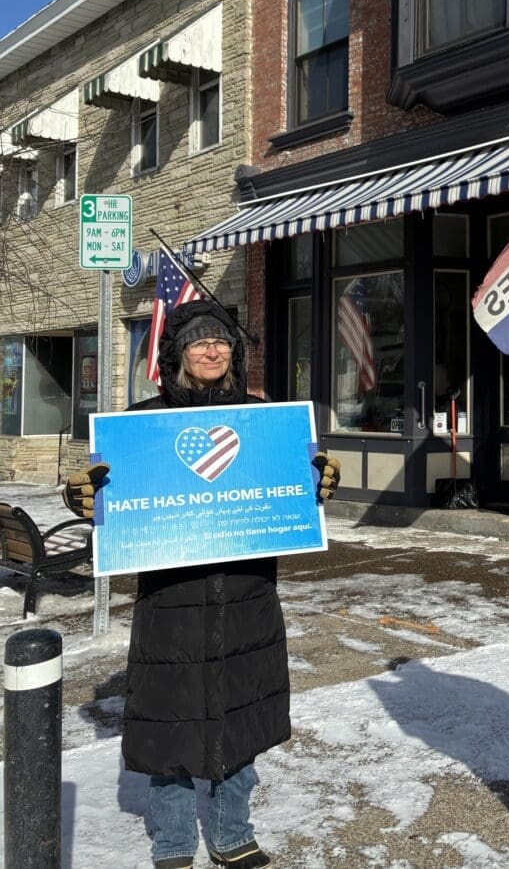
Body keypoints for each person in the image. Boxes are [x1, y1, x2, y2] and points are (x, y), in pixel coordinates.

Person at [62, 300, 340, 869]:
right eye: (198, 341)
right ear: (178, 353)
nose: (212, 350)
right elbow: (104, 492)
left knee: (241, 719)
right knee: (170, 726)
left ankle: (232, 832)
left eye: (221, 342)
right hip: (172, 603)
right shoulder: (141, 422)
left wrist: (314, 479)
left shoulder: (264, 421)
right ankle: (172, 840)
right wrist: (84, 495)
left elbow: (291, 486)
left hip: (247, 596)